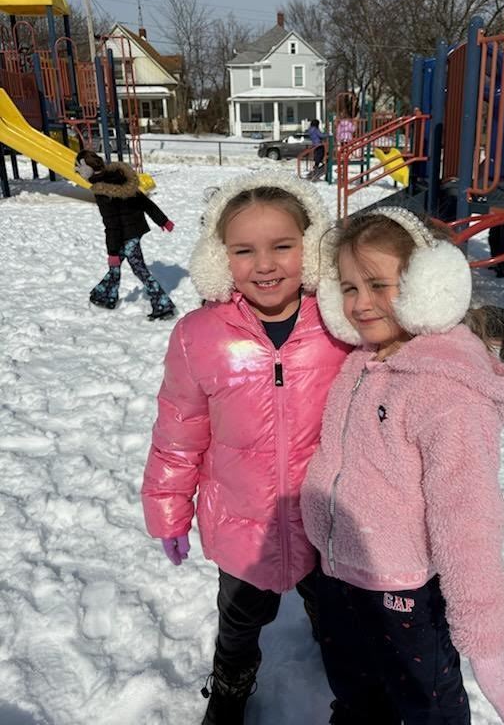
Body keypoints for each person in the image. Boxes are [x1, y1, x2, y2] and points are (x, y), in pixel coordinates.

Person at [301, 208, 504, 725]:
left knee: (426, 705)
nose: (359, 304)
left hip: (404, 593)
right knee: (356, 686)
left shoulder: (445, 392)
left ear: (430, 285)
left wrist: (486, 645)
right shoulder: (365, 359)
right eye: (348, 288)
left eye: (378, 284)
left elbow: (469, 522)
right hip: (336, 575)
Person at [141, 170, 350, 725]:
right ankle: (231, 689)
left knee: (337, 617)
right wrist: (168, 510)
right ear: (220, 257)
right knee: (239, 622)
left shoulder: (339, 324)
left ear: (312, 248)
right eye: (244, 250)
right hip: (240, 523)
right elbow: (178, 430)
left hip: (325, 520)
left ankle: (353, 690)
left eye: (283, 246)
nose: (265, 264)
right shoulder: (198, 335)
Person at [75, 150, 175, 320]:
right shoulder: (120, 176)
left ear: (87, 170)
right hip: (133, 229)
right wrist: (163, 220)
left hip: (128, 234)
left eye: (78, 169)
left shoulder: (102, 190)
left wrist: (112, 252)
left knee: (139, 269)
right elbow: (145, 202)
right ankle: (106, 295)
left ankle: (163, 305)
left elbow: (112, 225)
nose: (77, 172)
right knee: (115, 266)